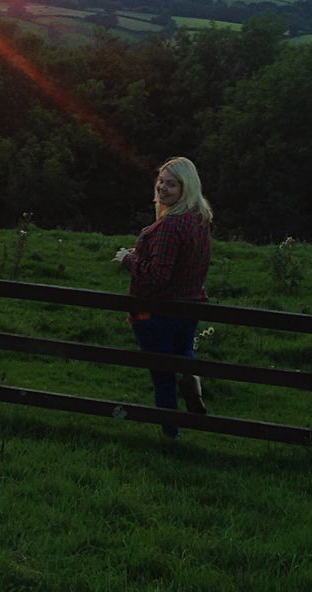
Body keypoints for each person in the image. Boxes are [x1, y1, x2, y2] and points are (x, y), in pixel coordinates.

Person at [115, 155, 212, 437]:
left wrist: (128, 259)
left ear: (186, 188)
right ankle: (191, 377)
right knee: (183, 356)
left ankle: (171, 434)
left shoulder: (170, 225)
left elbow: (157, 277)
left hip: (158, 314)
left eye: (171, 184)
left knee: (162, 377)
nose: (162, 188)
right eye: (161, 181)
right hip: (191, 306)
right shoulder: (199, 219)